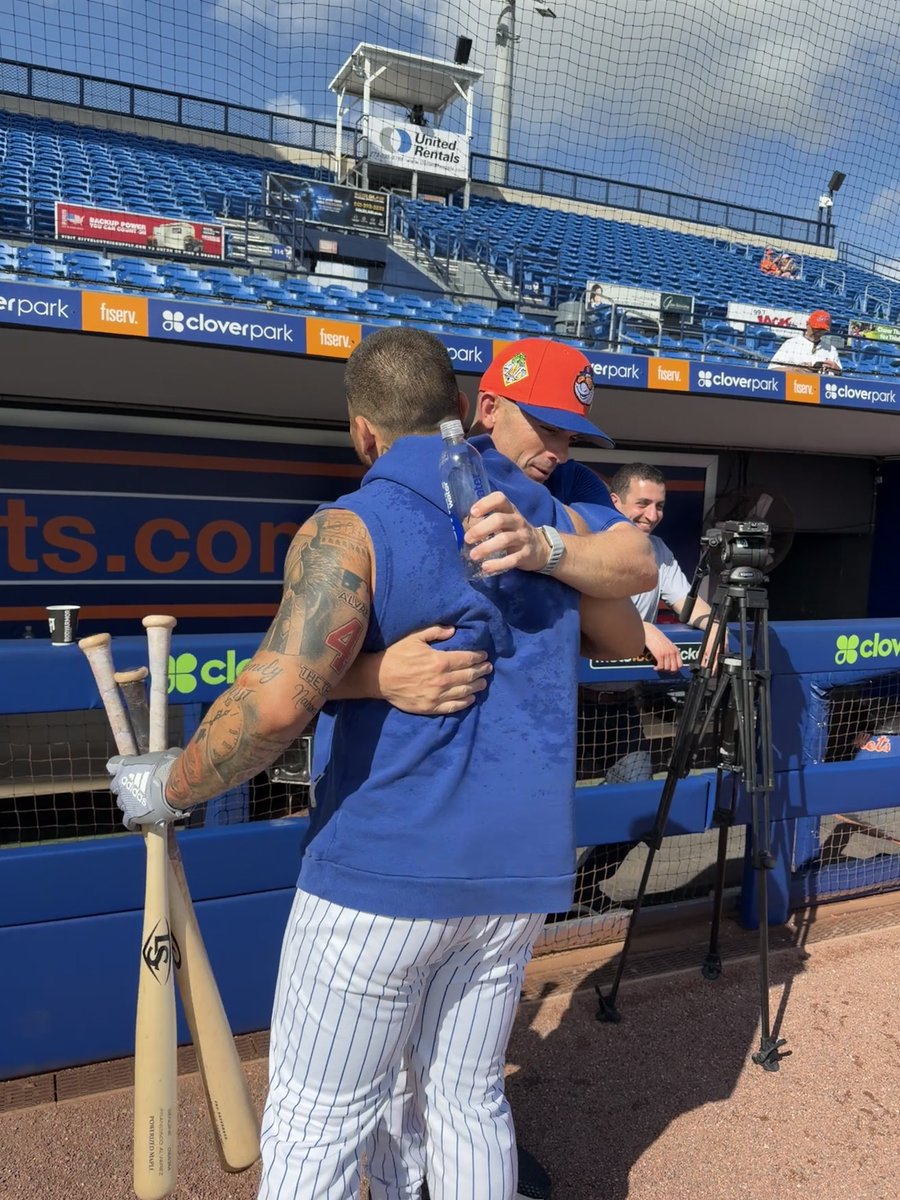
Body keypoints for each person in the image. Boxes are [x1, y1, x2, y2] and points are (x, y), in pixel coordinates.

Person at [106, 327, 646, 1200]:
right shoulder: (544, 513)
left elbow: (277, 703)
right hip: (516, 875)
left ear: (364, 432)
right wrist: (371, 677)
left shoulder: (353, 522)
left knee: (320, 1115)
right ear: (467, 411)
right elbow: (625, 598)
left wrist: (167, 787)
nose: (560, 447)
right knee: (464, 1103)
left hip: (384, 872)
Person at [330, 337, 657, 1200]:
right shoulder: (417, 474)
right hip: (407, 802)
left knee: (425, 1092)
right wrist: (375, 675)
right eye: (545, 426)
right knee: (406, 1079)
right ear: (487, 406)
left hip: (480, 832)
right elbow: (321, 657)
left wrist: (548, 547)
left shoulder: (560, 493)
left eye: (574, 433)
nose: (560, 448)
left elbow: (635, 580)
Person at [569, 462, 718, 914]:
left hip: (621, 705)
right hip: (566, 707)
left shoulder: (656, 550)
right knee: (549, 814)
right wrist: (641, 630)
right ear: (615, 503)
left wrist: (712, 625)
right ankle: (538, 904)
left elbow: (688, 605)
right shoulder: (583, 541)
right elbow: (578, 612)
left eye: (659, 506)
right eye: (643, 503)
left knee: (639, 808)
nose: (652, 514)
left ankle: (581, 890)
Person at [768, 309, 842, 374]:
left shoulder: (831, 350)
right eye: (815, 328)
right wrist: (795, 370)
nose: (818, 332)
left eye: (822, 330)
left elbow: (840, 376)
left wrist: (837, 370)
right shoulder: (791, 343)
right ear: (807, 325)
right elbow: (772, 369)